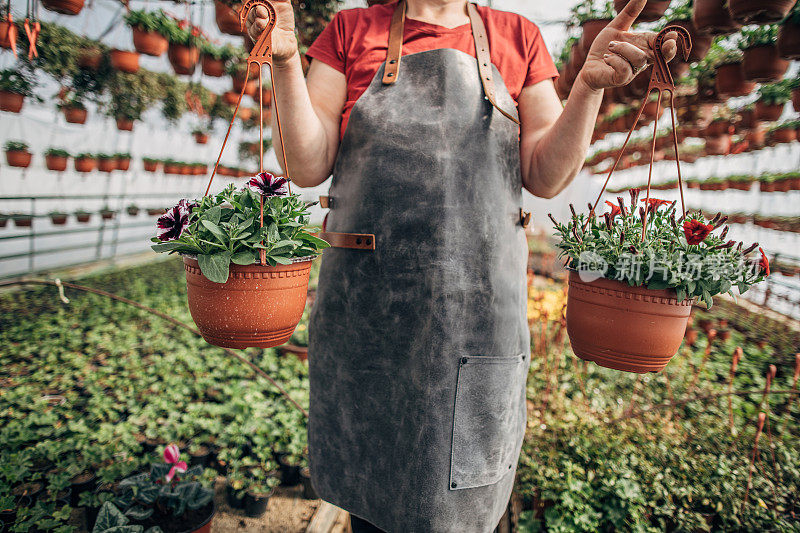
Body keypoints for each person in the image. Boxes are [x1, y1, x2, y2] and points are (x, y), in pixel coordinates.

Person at [245, 1, 677, 531]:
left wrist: (587, 88)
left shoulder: (518, 37)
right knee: (375, 497)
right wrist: (286, 62)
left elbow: (543, 173)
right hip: (371, 313)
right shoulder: (351, 29)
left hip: (477, 319)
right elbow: (306, 163)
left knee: (466, 496)